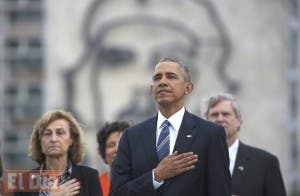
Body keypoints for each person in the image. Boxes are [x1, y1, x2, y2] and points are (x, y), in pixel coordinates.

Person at [110, 58, 231, 196]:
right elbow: (117, 192)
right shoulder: (131, 136)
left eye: (171, 76)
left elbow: (219, 190)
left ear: (188, 88)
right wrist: (156, 176)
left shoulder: (210, 134)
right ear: (152, 89)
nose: (162, 82)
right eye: (157, 78)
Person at [201, 93, 287, 196]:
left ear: (239, 120)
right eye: (214, 115)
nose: (220, 119)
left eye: (226, 114)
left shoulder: (265, 163)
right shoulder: (190, 161)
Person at [14, 109, 102, 196]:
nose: (53, 139)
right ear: (40, 142)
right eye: (47, 133)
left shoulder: (89, 177)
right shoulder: (23, 182)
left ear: (71, 140)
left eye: (60, 133)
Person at [96, 121, 131, 196]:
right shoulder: (95, 185)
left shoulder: (145, 182)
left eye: (123, 143)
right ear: (104, 153)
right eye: (111, 145)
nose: (117, 149)